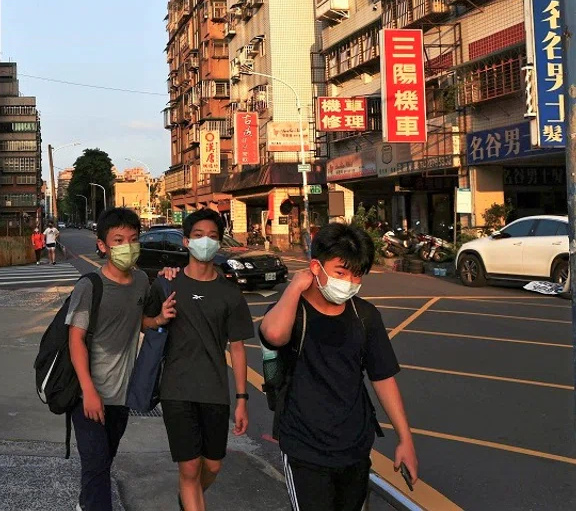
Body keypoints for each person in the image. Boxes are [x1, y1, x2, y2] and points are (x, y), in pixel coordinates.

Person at [259, 223, 417, 511]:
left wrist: (405, 439)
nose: (349, 282)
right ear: (316, 268)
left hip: (354, 446)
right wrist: (295, 286)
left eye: (357, 275)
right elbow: (273, 335)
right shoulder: (292, 310)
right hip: (304, 447)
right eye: (341, 272)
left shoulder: (365, 316)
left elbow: (383, 378)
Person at [66, 208, 177, 511]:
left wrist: (158, 318)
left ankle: (85, 503)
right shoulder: (90, 286)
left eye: (132, 239)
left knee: (104, 459)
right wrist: (87, 390)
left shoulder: (141, 280)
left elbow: (137, 321)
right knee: (96, 464)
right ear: (102, 245)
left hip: (121, 395)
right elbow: (75, 338)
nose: (127, 246)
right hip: (87, 394)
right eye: (118, 240)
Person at [148, 209, 253, 511]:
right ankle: (191, 494)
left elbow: (238, 347)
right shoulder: (167, 284)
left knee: (213, 466)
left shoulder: (230, 294)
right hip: (177, 389)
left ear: (219, 243)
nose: (205, 241)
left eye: (212, 236)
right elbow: (143, 322)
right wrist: (158, 318)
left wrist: (243, 398)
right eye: (198, 236)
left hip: (214, 390)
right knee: (190, 468)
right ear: (185, 242)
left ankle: (188, 498)